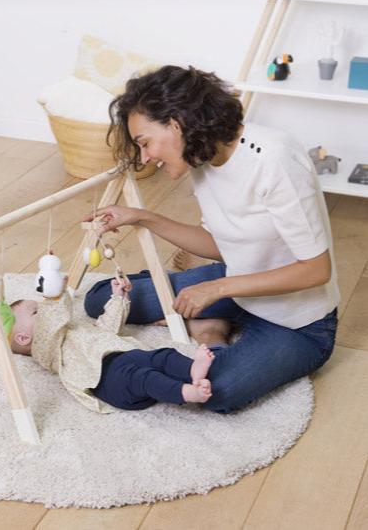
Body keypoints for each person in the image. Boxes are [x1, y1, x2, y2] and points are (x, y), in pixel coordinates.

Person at [82, 64, 340, 414]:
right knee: (101, 300)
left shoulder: (275, 160)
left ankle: (210, 332)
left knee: (214, 388)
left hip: (296, 324)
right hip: (237, 287)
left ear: (176, 124)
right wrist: (142, 217)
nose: (145, 157)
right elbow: (221, 244)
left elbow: (315, 270)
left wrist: (217, 289)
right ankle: (212, 324)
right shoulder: (201, 159)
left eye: (146, 143)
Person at [9, 276, 216, 412]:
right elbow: (52, 319)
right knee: (145, 378)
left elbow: (107, 327)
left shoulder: (76, 328)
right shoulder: (45, 350)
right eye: (37, 312)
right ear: (24, 338)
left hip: (126, 355)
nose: (45, 311)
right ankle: (185, 392)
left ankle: (193, 369)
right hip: (108, 381)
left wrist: (118, 298)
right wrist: (54, 296)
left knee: (162, 355)